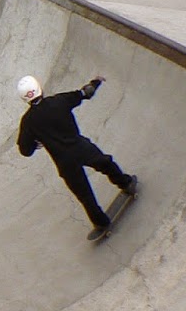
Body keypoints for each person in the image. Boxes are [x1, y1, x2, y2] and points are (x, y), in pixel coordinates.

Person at [16, 74, 136, 239]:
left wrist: (37, 142)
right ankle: (126, 183)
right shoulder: (59, 100)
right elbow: (85, 93)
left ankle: (101, 222)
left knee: (84, 195)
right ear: (40, 88)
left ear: (24, 98)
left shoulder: (27, 122)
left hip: (64, 162)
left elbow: (25, 151)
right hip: (81, 148)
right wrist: (97, 81)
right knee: (106, 163)